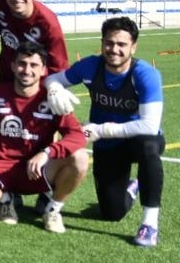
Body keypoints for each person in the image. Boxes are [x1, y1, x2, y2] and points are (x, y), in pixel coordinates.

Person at [44, 17, 165, 246]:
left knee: (149, 146)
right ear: (102, 43)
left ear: (133, 47)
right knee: (111, 213)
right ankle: (133, 187)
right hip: (108, 145)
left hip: (136, 140)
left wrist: (101, 129)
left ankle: (150, 223)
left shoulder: (145, 74)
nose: (114, 50)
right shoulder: (90, 65)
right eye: (109, 43)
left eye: (121, 44)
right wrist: (54, 88)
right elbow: (53, 79)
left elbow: (149, 125)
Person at [0, 41, 88, 232]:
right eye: (21, 63)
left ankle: (53, 210)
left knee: (80, 157)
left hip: (36, 167)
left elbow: (77, 136)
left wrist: (47, 152)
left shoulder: (52, 100)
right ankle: (4, 199)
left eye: (34, 65)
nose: (26, 70)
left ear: (43, 70)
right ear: (13, 66)